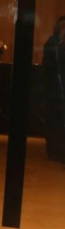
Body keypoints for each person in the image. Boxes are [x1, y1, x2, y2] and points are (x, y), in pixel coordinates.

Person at [42, 15, 65, 163]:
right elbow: (52, 68)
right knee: (55, 121)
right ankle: (55, 151)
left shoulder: (55, 43)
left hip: (56, 91)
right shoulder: (53, 43)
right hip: (55, 92)